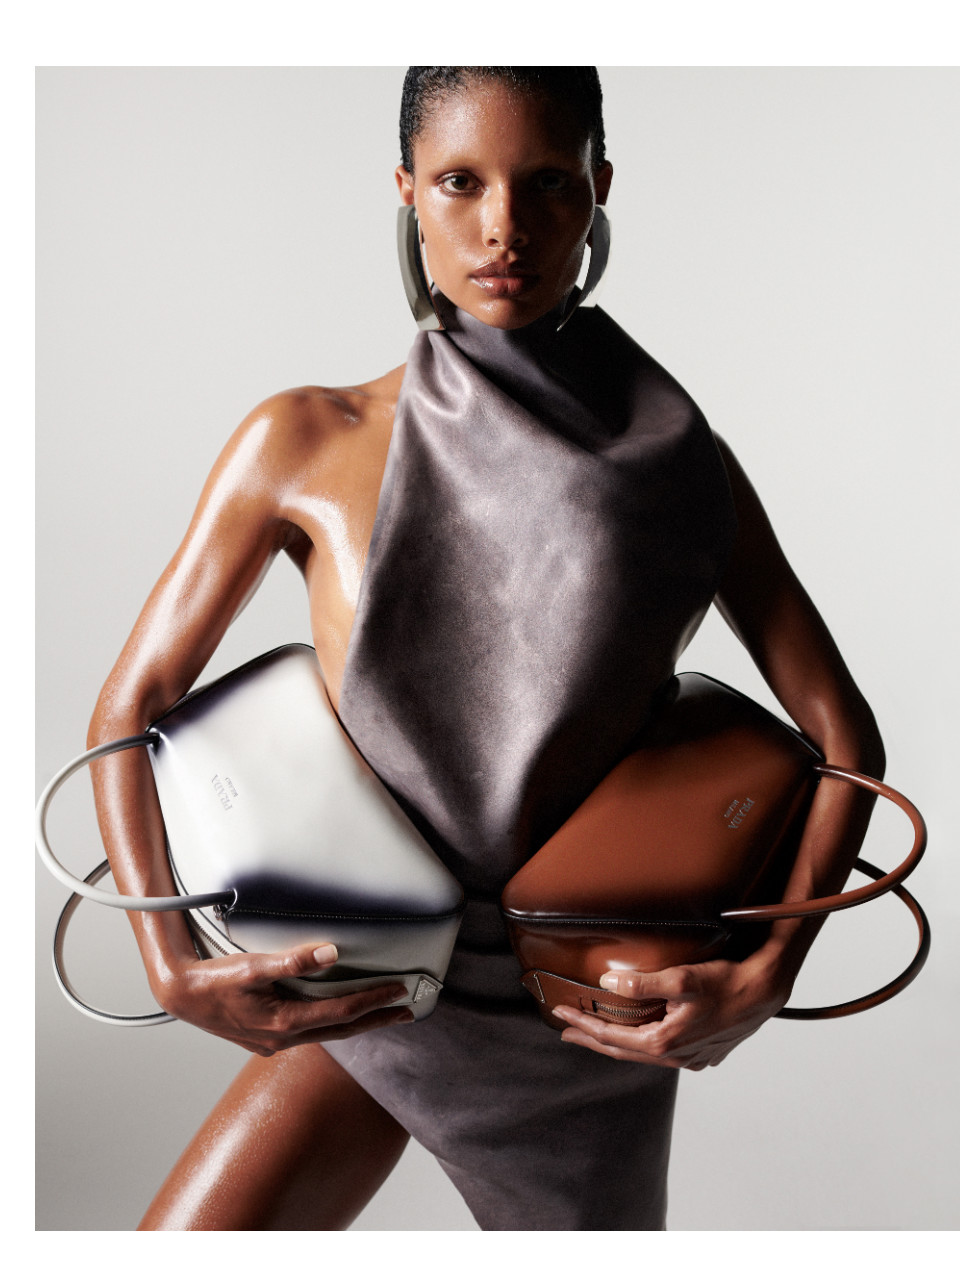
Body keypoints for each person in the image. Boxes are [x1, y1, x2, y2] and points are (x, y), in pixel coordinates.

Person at [84, 67, 884, 1232]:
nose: (504, 225)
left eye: (548, 183)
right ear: (407, 190)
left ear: (599, 190)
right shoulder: (305, 439)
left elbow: (844, 737)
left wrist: (770, 973)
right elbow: (135, 702)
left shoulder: (681, 469)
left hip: (586, 1020)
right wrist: (166, 959)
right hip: (356, 978)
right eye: (461, 182)